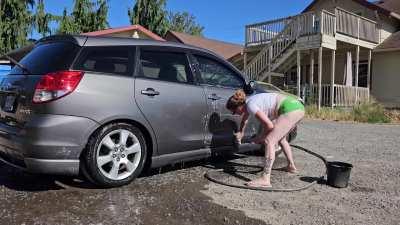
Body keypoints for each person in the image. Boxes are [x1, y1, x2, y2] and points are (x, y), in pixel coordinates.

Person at [226, 89, 305, 188]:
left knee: (269, 141)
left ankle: (265, 178)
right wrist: (241, 132)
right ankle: (291, 166)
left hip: (289, 109)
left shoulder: (250, 105)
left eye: (233, 111)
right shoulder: (249, 103)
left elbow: (269, 125)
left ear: (238, 106)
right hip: (297, 107)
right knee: (281, 139)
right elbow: (244, 120)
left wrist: (260, 138)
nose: (234, 114)